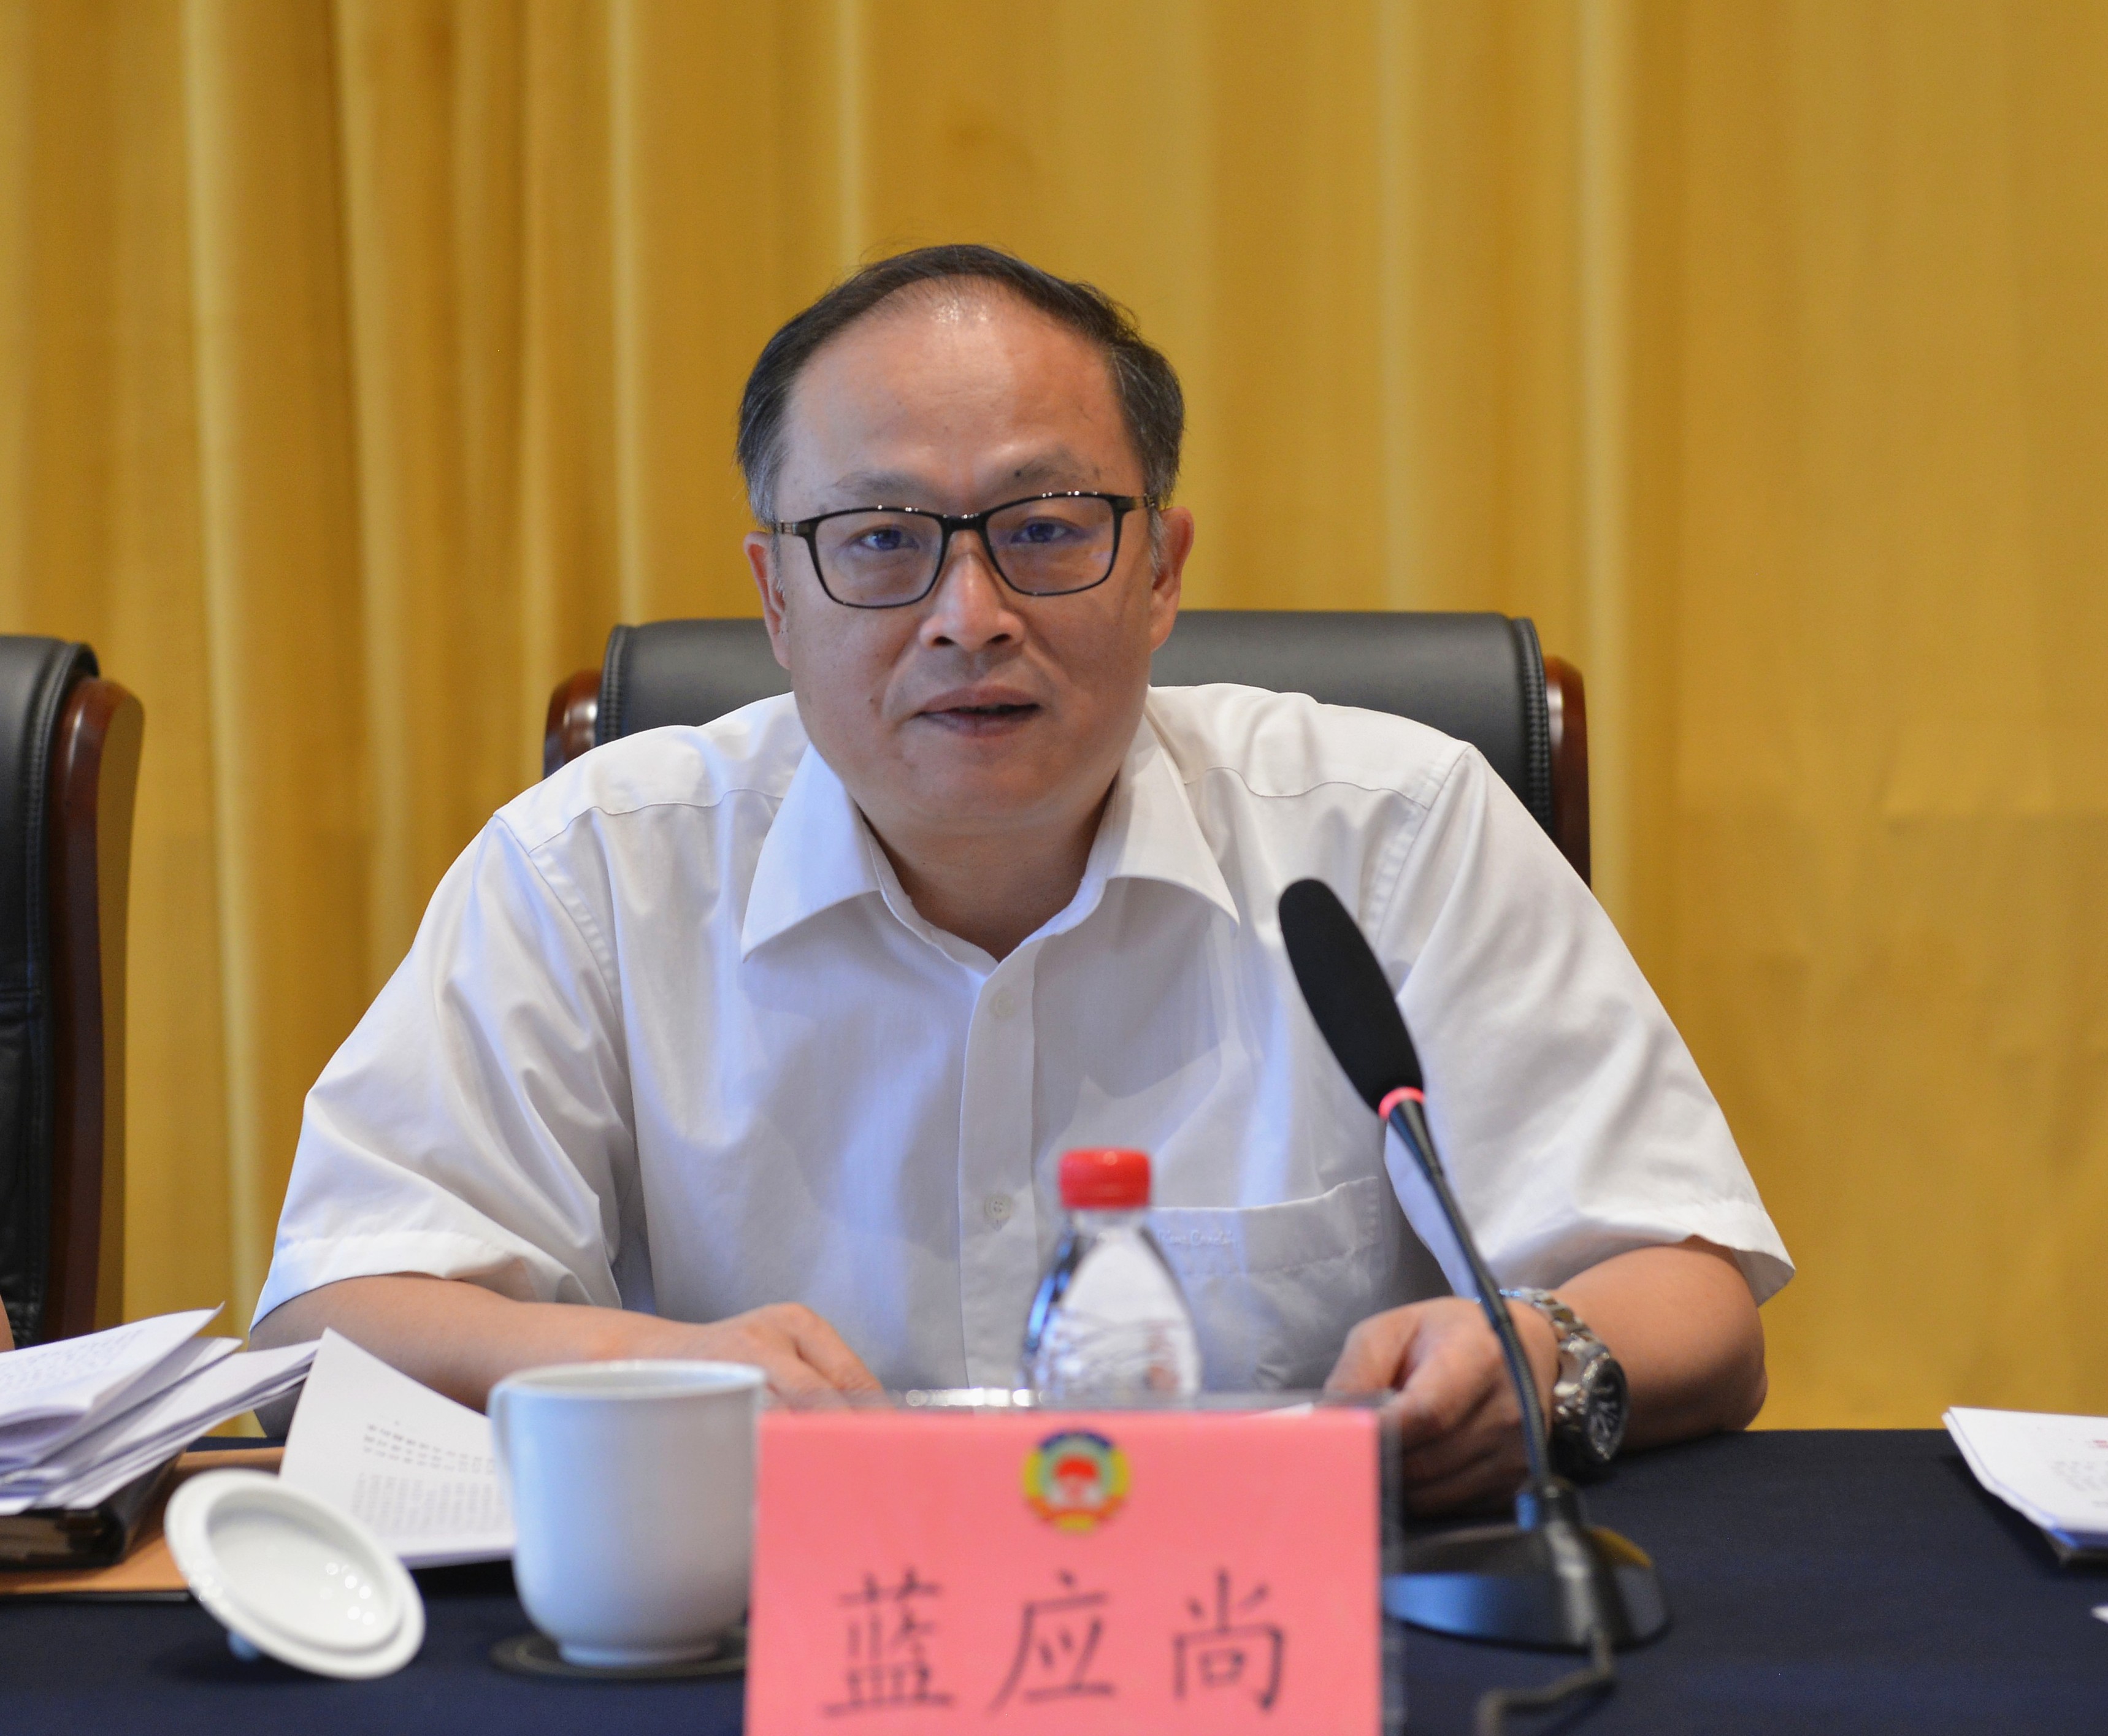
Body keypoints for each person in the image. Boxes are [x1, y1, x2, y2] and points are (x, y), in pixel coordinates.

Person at [253, 245, 1790, 1512]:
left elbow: (1692, 1298)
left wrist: (1538, 1359)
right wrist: (647, 1372)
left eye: (1046, 530)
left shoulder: (1395, 832)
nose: (969, 615)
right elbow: (334, 1316)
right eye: (881, 540)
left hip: (1282, 1637)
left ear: (1163, 570)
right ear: (775, 598)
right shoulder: (595, 869)